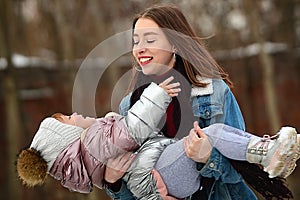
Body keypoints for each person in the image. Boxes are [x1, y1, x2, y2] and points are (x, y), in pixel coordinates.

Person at [104, 4, 298, 200]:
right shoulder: (129, 107)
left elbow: (240, 169)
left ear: (175, 44)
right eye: (135, 42)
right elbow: (132, 188)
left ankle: (270, 151)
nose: (140, 49)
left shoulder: (212, 93)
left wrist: (208, 158)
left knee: (216, 135)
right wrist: (114, 182)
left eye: (150, 40)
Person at [16, 76, 299, 198]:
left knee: (214, 139)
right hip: (166, 171)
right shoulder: (95, 139)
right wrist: (158, 94)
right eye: (68, 118)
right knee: (213, 133)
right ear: (66, 135)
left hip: (166, 180)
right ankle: (268, 152)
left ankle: (268, 154)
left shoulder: (90, 158)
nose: (75, 113)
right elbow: (134, 127)